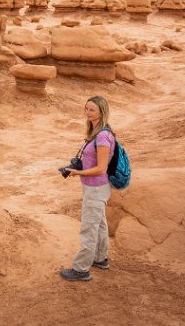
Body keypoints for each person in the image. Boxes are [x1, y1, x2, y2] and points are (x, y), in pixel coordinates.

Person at [59, 95, 115, 282]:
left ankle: (81, 269)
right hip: (95, 187)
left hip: (97, 188)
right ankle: (100, 258)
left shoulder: (103, 136)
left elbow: (101, 168)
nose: (88, 113)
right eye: (86, 109)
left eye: (92, 110)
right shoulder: (96, 133)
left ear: (102, 111)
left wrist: (77, 173)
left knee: (88, 227)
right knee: (99, 224)